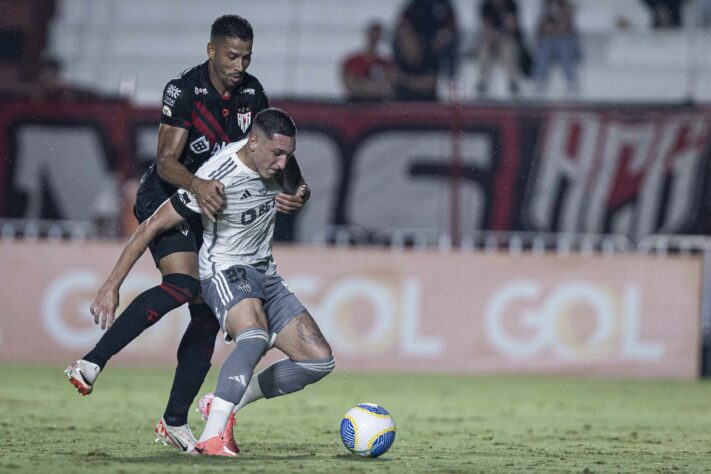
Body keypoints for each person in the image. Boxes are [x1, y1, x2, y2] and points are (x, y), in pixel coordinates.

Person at [65, 15, 310, 451]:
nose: (239, 65)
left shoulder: (252, 93)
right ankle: (92, 362)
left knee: (204, 316)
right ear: (211, 50)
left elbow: (275, 155)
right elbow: (165, 161)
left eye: (247, 56)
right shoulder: (185, 90)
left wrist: (297, 189)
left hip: (209, 201)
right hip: (169, 193)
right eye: (232, 55)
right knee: (182, 283)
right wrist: (111, 284)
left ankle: (175, 422)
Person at [88, 107, 334, 456]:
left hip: (266, 273)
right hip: (224, 269)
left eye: (288, 154)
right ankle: (212, 436)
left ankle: (221, 402)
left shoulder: (280, 161)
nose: (283, 162)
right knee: (254, 336)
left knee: (318, 361)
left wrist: (300, 196)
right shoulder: (218, 176)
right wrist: (111, 284)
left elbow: (297, 182)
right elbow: (154, 225)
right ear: (252, 143)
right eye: (277, 153)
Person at [392, 0, 459, 101]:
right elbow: (392, 78)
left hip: (427, 104)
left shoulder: (431, 58)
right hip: (401, 102)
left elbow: (430, 83)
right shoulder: (414, 5)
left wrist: (407, 81)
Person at [475, 0, 522, 97]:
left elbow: (512, 27)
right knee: (484, 50)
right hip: (491, 41)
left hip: (506, 40)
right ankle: (482, 81)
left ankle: (512, 82)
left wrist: (498, 33)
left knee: (508, 50)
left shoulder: (510, 5)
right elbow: (486, 28)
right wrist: (494, 35)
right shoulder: (486, 6)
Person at [531, 0, 580, 95]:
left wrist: (554, 29)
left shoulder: (567, 7)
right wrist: (554, 29)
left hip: (564, 42)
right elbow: (544, 27)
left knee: (564, 47)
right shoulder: (545, 7)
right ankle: (538, 81)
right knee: (544, 49)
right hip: (549, 42)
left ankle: (570, 81)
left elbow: (566, 27)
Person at [341, 21, 394, 102]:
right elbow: (351, 86)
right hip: (356, 106)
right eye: (372, 34)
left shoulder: (385, 63)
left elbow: (387, 87)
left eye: (377, 35)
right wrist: (374, 87)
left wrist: (362, 85)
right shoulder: (352, 61)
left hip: (379, 106)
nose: (374, 38)